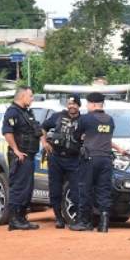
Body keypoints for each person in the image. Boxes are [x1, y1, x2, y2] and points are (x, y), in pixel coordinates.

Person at [70, 91, 120, 233]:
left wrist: (83, 136)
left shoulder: (86, 119)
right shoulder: (110, 120)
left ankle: (85, 222)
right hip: (106, 159)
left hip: (90, 159)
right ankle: (104, 224)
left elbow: (76, 136)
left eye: (87, 103)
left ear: (92, 104)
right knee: (103, 191)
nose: (86, 106)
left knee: (85, 189)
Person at [1, 87, 41, 231]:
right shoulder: (13, 112)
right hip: (20, 156)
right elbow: (7, 132)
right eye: (30, 96)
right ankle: (14, 220)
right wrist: (16, 150)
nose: (32, 99)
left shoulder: (26, 112)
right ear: (22, 96)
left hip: (28, 155)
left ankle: (22, 218)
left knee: (27, 188)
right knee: (19, 187)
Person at [41, 96, 84, 229]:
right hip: (56, 158)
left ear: (79, 106)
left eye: (75, 104)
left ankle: (77, 218)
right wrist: (44, 143)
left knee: (76, 189)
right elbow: (42, 128)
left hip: (74, 158)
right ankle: (58, 218)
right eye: (70, 103)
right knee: (55, 189)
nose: (72, 106)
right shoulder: (58, 116)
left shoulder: (83, 120)